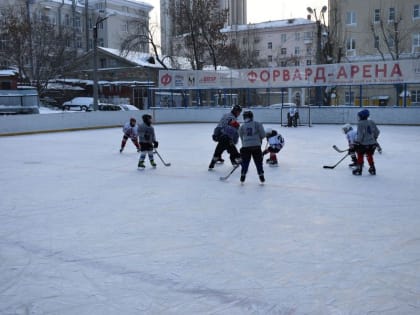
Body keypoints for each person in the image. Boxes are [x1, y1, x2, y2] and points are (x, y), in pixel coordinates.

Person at [208, 105, 242, 169]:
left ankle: (213, 162)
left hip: (219, 134)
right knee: (231, 147)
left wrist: (215, 134)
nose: (239, 114)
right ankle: (236, 159)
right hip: (225, 136)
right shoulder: (232, 118)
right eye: (239, 112)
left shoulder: (226, 115)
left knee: (220, 147)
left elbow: (220, 125)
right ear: (236, 111)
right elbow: (231, 128)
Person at [238, 110, 266, 183]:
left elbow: (241, 136)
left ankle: (243, 174)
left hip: (246, 147)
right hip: (256, 146)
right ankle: (261, 175)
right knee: (258, 162)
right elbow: (263, 135)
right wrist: (258, 139)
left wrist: (245, 143)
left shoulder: (242, 126)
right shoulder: (257, 124)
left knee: (245, 162)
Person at [353, 109, 380, 175]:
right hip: (372, 144)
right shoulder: (371, 122)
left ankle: (359, 169)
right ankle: (372, 168)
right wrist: (374, 138)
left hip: (363, 144)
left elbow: (360, 135)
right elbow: (377, 132)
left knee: (360, 154)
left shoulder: (360, 123)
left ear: (362, 116)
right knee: (369, 155)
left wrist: (357, 142)